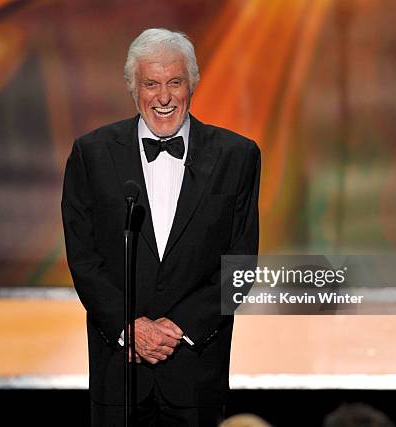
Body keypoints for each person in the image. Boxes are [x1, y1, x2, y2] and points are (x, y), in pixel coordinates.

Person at [62, 28, 260, 426]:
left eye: (175, 82)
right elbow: (84, 258)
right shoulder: (92, 154)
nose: (164, 97)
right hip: (120, 370)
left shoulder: (237, 156)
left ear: (193, 84)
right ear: (133, 89)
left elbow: (240, 266)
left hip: (195, 369)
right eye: (151, 84)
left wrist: (178, 329)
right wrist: (129, 327)